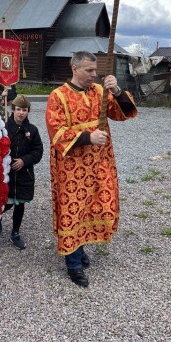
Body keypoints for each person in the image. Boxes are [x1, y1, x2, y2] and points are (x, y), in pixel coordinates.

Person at [45, 51, 137, 288]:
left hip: (99, 163)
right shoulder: (58, 96)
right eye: (89, 71)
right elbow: (56, 132)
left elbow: (123, 113)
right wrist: (88, 136)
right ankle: (73, 263)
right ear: (74, 68)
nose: (94, 75)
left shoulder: (99, 91)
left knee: (94, 207)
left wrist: (116, 91)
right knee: (73, 211)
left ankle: (80, 248)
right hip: (71, 168)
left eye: (96, 70)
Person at [0, 95, 43, 249]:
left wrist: (25, 160)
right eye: (18, 110)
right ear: (13, 110)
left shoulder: (32, 130)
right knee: (6, 201)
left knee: (20, 204)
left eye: (24, 110)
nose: (21, 113)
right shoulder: (3, 128)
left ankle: (15, 232)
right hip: (6, 174)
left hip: (24, 174)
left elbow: (38, 151)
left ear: (28, 111)